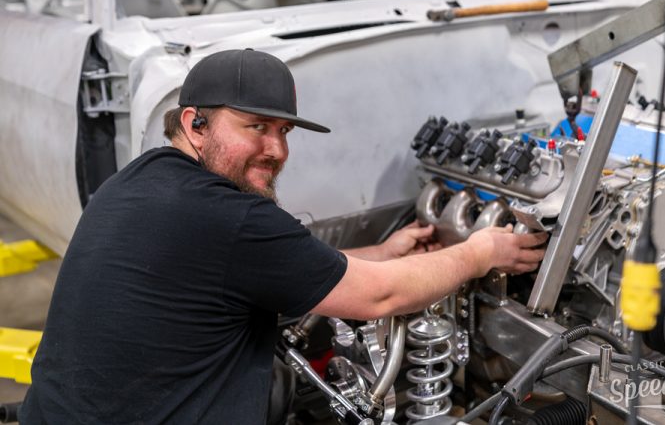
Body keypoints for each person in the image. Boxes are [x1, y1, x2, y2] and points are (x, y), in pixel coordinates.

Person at [20, 49, 547, 424]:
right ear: (196, 124)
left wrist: (381, 253)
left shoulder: (141, 181)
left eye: (283, 131)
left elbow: (257, 269)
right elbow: (379, 297)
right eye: (256, 126)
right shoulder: (228, 217)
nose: (277, 150)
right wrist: (480, 252)